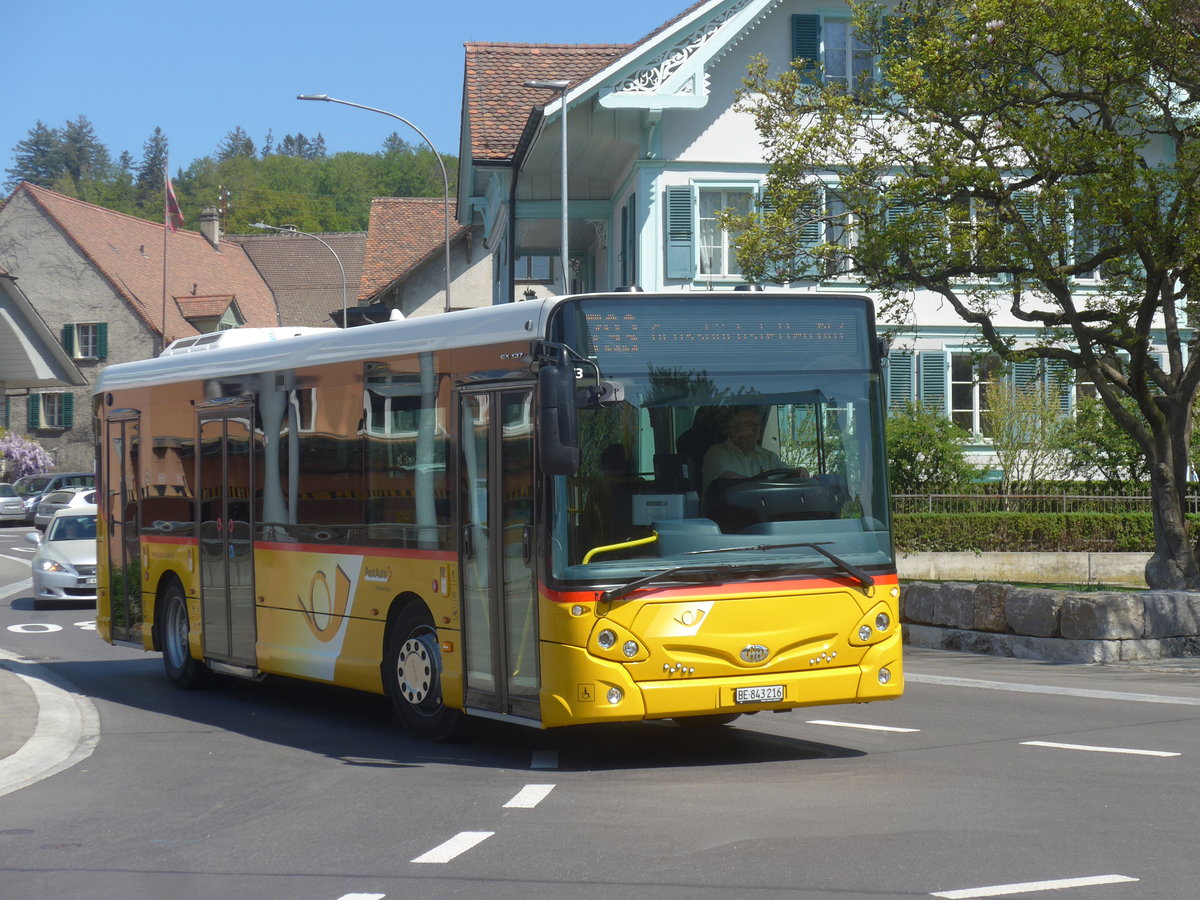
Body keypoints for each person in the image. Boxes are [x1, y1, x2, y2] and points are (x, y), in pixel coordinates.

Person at [702, 408, 808, 492]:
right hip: (728, 517)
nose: (756, 429)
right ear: (734, 428)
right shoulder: (716, 453)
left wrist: (800, 472)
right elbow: (730, 481)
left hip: (767, 515)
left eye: (758, 425)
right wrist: (766, 487)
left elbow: (788, 473)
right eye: (749, 424)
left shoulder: (768, 457)